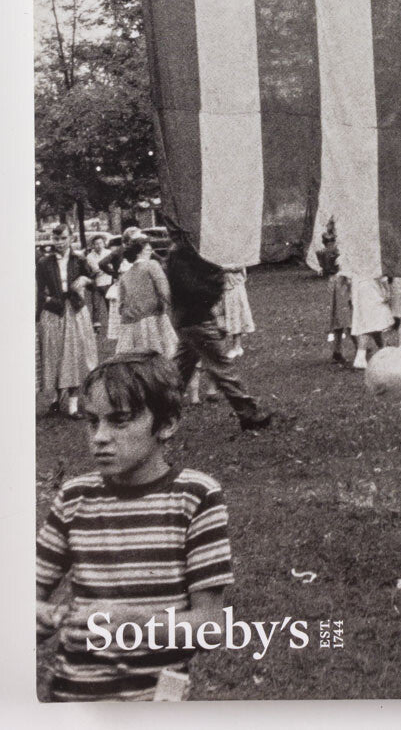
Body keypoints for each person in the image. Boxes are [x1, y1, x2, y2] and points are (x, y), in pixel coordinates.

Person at [36, 352, 234, 701]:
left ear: (167, 424)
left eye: (119, 421)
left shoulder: (195, 498)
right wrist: (49, 616)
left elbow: (210, 626)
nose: (100, 436)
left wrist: (134, 624)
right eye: (92, 421)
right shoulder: (74, 497)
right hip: (71, 700)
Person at [165, 240, 272, 431]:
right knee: (220, 366)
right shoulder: (184, 253)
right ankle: (249, 413)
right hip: (195, 320)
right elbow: (193, 289)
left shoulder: (181, 252)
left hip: (188, 320)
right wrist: (216, 279)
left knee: (181, 369)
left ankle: (159, 410)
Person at [36, 225, 97, 418]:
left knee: (75, 355)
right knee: (54, 355)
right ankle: (56, 399)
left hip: (75, 309)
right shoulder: (44, 262)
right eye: (56, 239)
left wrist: (86, 280)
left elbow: (94, 282)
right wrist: (47, 301)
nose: (60, 243)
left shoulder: (79, 260)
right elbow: (38, 289)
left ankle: (73, 405)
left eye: (63, 238)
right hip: (54, 311)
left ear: (71, 238)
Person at [115, 235, 178, 358]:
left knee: (135, 357)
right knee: (163, 354)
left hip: (130, 323)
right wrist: (175, 307)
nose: (151, 251)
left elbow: (120, 306)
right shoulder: (152, 265)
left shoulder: (125, 276)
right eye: (148, 249)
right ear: (140, 252)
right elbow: (164, 291)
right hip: (152, 317)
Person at [348, 275, 393, 371]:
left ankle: (384, 350)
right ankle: (360, 358)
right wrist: (387, 290)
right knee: (370, 323)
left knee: (374, 322)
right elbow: (379, 273)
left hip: (358, 289)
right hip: (371, 290)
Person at [219, 267, 255, 358]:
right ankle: (221, 346)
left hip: (234, 285)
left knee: (235, 314)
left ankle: (237, 347)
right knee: (219, 316)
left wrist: (224, 267)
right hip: (219, 284)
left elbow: (239, 265)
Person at [84, 235, 113, 332]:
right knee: (96, 305)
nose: (99, 245)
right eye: (96, 244)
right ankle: (96, 325)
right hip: (96, 283)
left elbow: (111, 267)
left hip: (108, 281)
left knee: (110, 304)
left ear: (104, 244)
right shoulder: (90, 256)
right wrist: (103, 268)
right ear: (93, 245)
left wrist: (102, 269)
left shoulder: (109, 253)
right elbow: (93, 270)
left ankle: (113, 325)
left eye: (100, 243)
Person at [328, 272, 355, 363]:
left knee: (341, 317)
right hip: (344, 283)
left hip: (339, 281)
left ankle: (337, 351)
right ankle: (360, 348)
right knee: (347, 317)